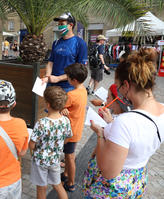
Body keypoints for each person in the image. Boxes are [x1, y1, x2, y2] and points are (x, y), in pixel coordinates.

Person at [83, 48, 164, 198]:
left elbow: (108, 172)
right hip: (136, 181)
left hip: (112, 190)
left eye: (118, 86)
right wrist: (112, 123)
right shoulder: (162, 110)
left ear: (126, 86)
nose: (119, 91)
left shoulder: (125, 122)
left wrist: (101, 134)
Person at [29, 86, 72, 199]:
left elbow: (32, 144)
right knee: (57, 185)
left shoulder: (41, 123)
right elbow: (67, 138)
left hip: (40, 160)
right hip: (55, 159)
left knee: (41, 187)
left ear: (48, 104)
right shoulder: (65, 120)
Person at [42, 12, 87, 92]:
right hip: (51, 84)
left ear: (71, 25)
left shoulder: (80, 43)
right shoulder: (56, 42)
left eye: (62, 24)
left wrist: (58, 78)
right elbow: (50, 62)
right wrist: (47, 76)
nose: (59, 26)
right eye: (58, 24)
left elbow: (80, 70)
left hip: (68, 86)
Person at [60, 63, 88, 192]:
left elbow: (59, 107)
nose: (67, 78)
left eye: (68, 77)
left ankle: (71, 183)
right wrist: (66, 108)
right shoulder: (83, 90)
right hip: (77, 129)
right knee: (67, 154)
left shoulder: (71, 94)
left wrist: (62, 108)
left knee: (70, 157)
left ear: (74, 80)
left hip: (69, 131)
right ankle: (66, 174)